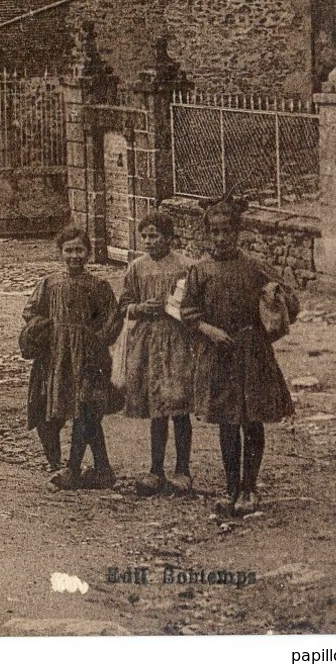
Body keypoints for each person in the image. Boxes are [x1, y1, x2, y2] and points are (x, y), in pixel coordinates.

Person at [181, 199, 297, 519]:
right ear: (207, 234)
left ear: (238, 232)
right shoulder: (199, 270)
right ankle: (231, 487)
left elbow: (290, 303)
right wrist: (208, 330)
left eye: (227, 231)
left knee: (252, 418)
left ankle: (250, 487)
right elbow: (187, 312)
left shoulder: (254, 267)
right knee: (227, 421)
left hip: (251, 350)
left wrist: (276, 299)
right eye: (215, 232)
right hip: (219, 352)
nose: (221, 238)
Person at [22, 226, 119, 491]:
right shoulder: (50, 283)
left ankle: (75, 469)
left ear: (88, 252)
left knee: (86, 410)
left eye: (79, 250)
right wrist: (43, 329)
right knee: (63, 408)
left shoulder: (98, 286)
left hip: (88, 359)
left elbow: (112, 320)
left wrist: (96, 340)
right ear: (61, 252)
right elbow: (30, 311)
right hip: (57, 357)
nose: (74, 256)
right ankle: (100, 468)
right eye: (69, 250)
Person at [119, 210, 197, 497]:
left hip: (177, 340)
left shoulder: (186, 267)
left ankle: (183, 469)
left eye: (155, 236)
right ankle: (155, 469)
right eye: (145, 236)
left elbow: (196, 301)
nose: (149, 241)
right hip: (149, 340)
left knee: (178, 404)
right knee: (156, 407)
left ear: (169, 237)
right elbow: (124, 302)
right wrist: (140, 309)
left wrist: (180, 311)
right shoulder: (136, 268)